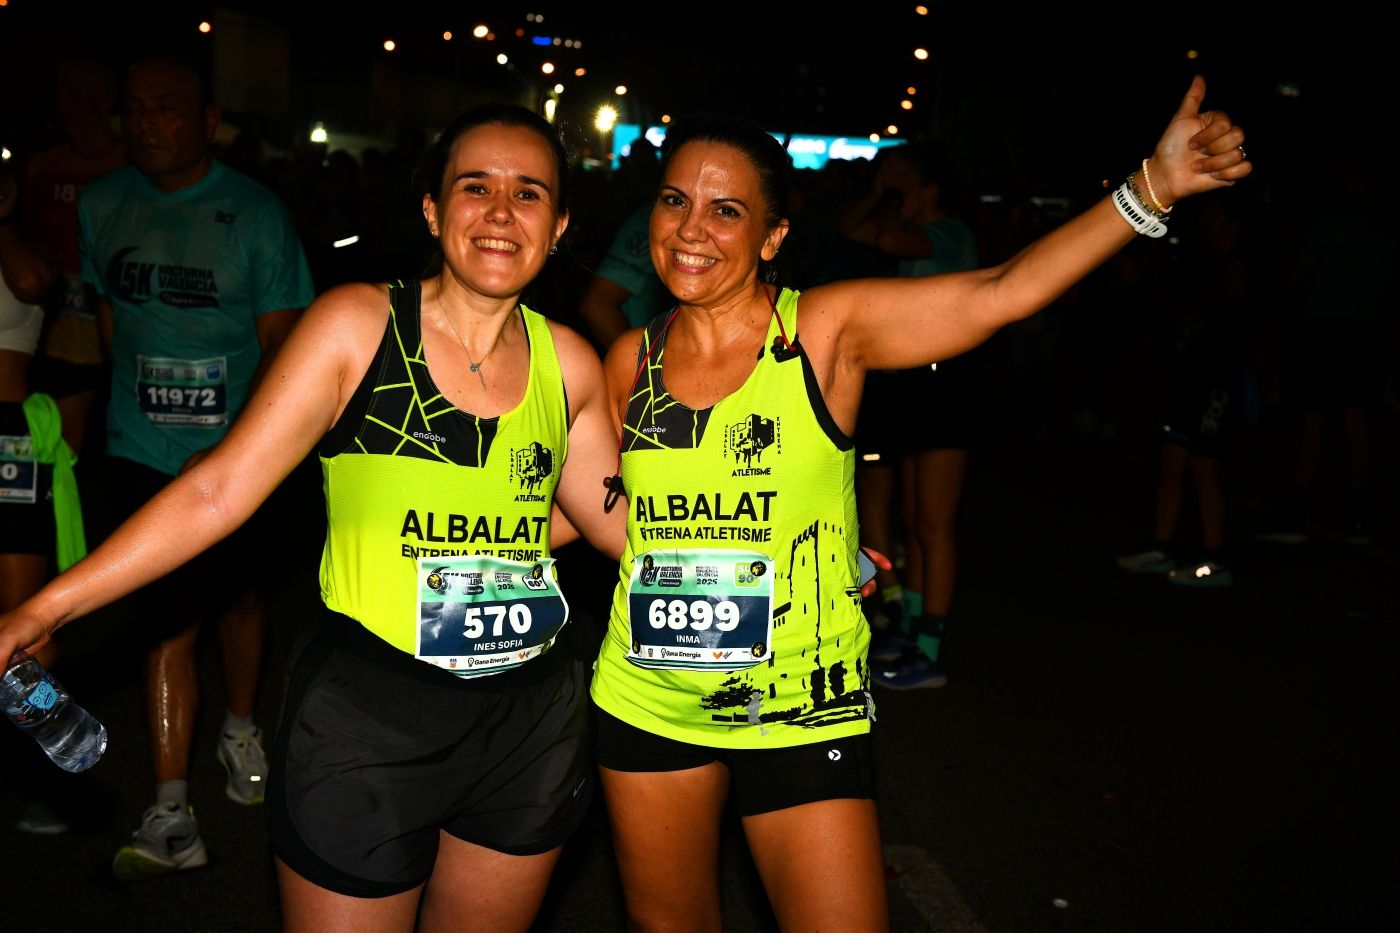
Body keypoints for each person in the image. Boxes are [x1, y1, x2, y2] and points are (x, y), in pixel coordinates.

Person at [589, 77, 1249, 931]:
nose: (690, 228)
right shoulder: (624, 364)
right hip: (647, 699)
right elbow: (632, 524)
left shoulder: (825, 331)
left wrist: (1149, 189)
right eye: (676, 199)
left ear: (772, 235)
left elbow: (1000, 292)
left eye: (726, 210)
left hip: (800, 705)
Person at [0, 102, 624, 932]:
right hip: (367, 720)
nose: (502, 213)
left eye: (530, 193)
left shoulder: (569, 360)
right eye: (475, 187)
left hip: (527, 722)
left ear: (561, 222)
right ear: (433, 210)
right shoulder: (356, 327)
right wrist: (44, 608)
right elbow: (219, 490)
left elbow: (617, 521)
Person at [74, 54, 315, 879]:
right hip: (141, 450)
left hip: (242, 454)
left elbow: (287, 344)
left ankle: (240, 723)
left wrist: (250, 439)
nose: (147, 122)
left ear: (209, 120)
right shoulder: (103, 204)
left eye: (167, 107)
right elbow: (107, 318)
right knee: (166, 618)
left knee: (241, 603)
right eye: (134, 108)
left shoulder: (255, 214)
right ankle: (172, 807)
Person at [840, 141, 983, 688]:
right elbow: (852, 228)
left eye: (900, 172)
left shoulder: (951, 233)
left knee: (935, 525)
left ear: (925, 183)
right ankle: (912, 631)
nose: (888, 176)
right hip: (912, 389)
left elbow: (877, 235)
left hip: (948, 386)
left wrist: (888, 199)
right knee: (916, 522)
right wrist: (880, 191)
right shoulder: (912, 226)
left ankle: (930, 649)